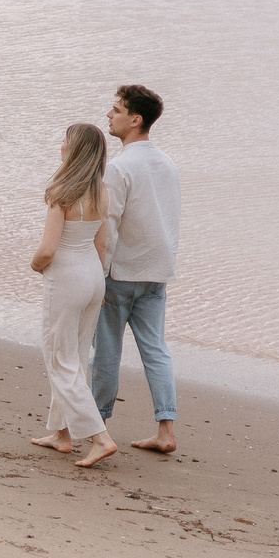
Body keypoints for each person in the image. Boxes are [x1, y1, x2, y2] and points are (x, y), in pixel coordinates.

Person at [89, 84, 182, 453]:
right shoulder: (168, 162)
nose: (109, 115)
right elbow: (170, 220)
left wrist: (98, 274)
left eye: (116, 109)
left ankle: (100, 429)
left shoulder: (119, 167)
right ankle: (166, 429)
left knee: (107, 353)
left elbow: (108, 226)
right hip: (157, 271)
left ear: (135, 119)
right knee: (156, 350)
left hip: (121, 273)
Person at [27, 122, 118, 468]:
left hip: (66, 278)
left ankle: (100, 437)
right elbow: (102, 244)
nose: (60, 145)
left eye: (64, 140)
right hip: (94, 277)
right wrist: (101, 283)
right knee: (76, 357)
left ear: (74, 149)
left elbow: (48, 250)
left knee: (58, 358)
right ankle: (62, 433)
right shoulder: (102, 192)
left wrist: (35, 266)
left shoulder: (61, 191)